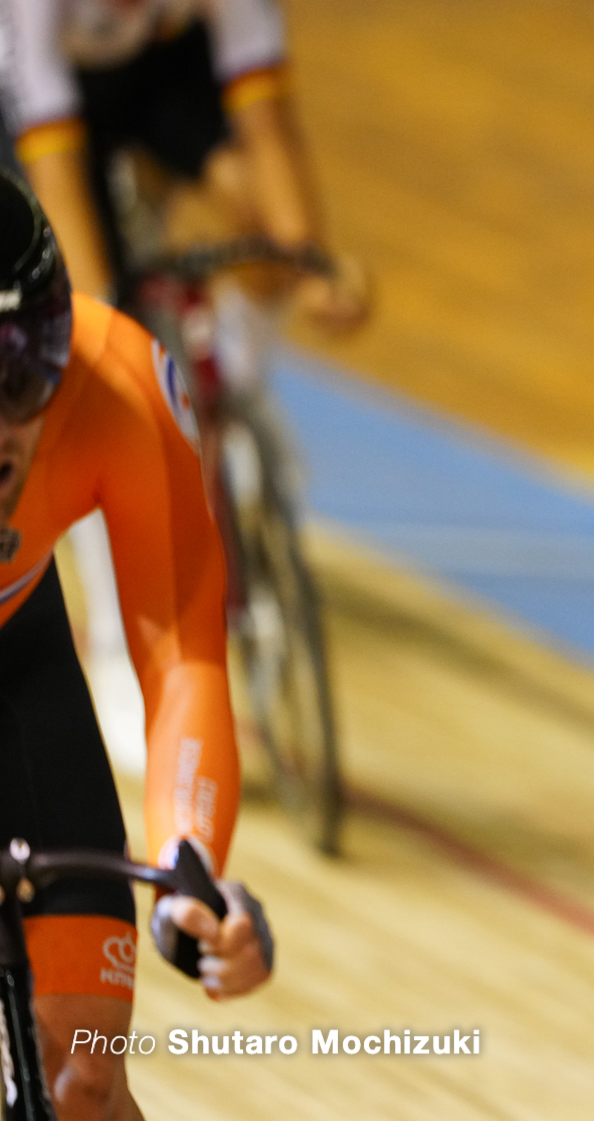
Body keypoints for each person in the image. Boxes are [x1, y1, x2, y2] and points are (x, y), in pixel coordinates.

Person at [0, 170, 271, 1121]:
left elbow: (183, 654)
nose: (0, 433)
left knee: (84, 1080)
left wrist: (189, 863)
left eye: (22, 379)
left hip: (14, 666)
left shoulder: (118, 379)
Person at [0, 0, 369, 325]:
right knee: (79, 298)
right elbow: (56, 171)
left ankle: (237, 371)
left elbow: (266, 120)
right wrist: (101, 321)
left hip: (161, 61)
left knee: (252, 204)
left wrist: (310, 266)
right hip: (68, 93)